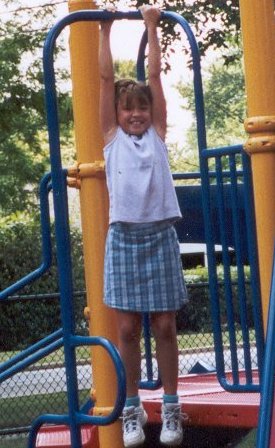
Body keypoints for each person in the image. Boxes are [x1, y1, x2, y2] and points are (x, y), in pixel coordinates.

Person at [99, 5, 188, 447]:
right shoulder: (111, 141)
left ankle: (171, 407)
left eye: (140, 109)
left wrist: (151, 26)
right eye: (127, 108)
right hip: (125, 239)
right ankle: (132, 410)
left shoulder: (155, 135)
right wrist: (105, 29)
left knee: (166, 326)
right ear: (116, 113)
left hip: (158, 235)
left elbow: (155, 79)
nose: (135, 114)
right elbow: (101, 81)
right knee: (128, 330)